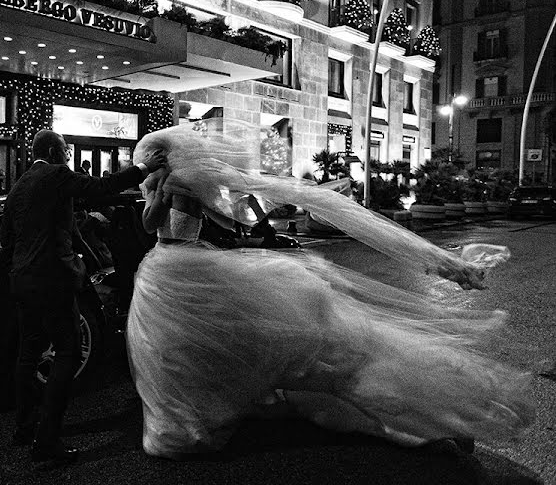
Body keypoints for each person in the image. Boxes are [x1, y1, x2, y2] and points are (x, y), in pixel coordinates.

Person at [126, 118, 534, 459]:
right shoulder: (163, 184)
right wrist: (158, 195)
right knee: (178, 349)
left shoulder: (188, 182)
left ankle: (435, 411)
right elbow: (149, 225)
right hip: (167, 267)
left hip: (187, 265)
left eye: (153, 162)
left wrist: (172, 195)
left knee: (312, 346)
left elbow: (204, 222)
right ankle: (191, 419)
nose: (149, 168)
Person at [0, 129, 165, 467]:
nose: (68, 154)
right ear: (52, 150)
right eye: (65, 148)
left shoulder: (17, 188)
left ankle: (24, 427)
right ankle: (46, 442)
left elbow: (7, 241)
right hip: (52, 280)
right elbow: (103, 188)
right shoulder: (56, 175)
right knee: (68, 352)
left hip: (22, 281)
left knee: (28, 353)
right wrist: (144, 168)